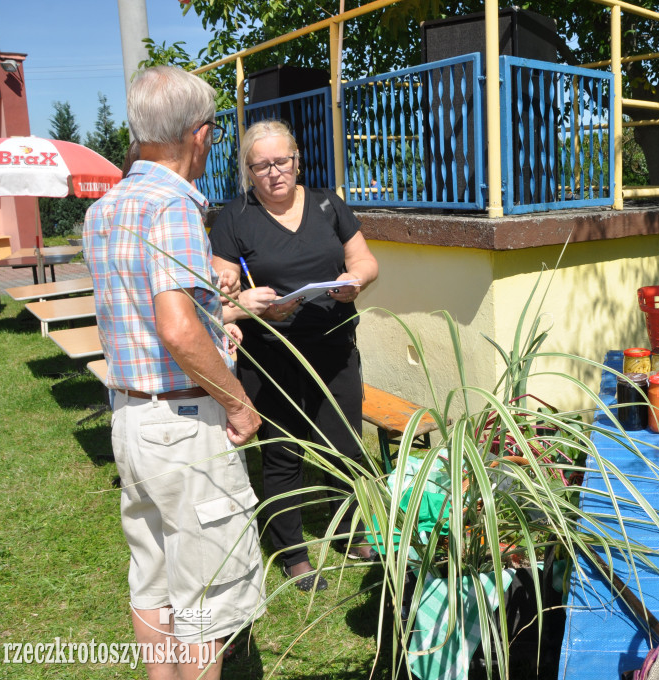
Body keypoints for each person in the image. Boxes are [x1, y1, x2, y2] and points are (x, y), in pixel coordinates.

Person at [83, 65, 264, 679]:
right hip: (185, 424)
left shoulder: (104, 209)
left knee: (152, 578)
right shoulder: (175, 207)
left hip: (131, 419)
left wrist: (216, 326)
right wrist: (238, 402)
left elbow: (143, 313)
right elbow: (176, 329)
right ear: (200, 133)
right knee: (206, 597)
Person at [209, 120, 379, 592]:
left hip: (334, 348)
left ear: (297, 159)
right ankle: (292, 553)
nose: (274, 173)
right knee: (283, 453)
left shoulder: (328, 203)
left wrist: (355, 283)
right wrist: (249, 303)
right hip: (272, 355)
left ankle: (349, 532)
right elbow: (221, 294)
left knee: (345, 446)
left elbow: (364, 261)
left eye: (281, 161)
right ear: (248, 170)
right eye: (261, 166)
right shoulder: (235, 218)